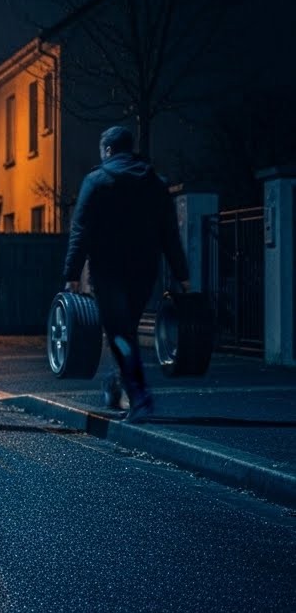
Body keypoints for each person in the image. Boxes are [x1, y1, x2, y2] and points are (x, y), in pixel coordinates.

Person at [63, 126, 190, 423]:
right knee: (126, 329)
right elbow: (169, 233)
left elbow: (80, 231)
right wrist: (182, 274)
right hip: (145, 270)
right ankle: (115, 383)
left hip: (107, 270)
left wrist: (71, 273)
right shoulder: (155, 183)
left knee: (120, 332)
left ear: (107, 150)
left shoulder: (96, 181)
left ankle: (139, 395)